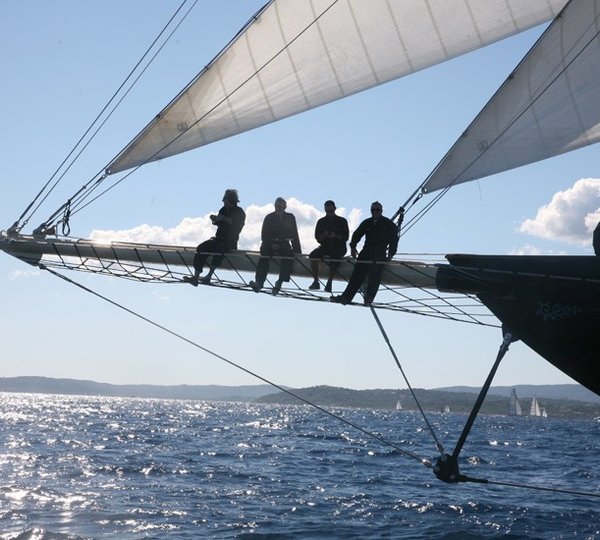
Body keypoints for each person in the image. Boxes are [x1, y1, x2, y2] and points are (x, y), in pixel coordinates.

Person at [331, 201, 398, 306]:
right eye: (373, 210)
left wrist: (390, 254)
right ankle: (346, 297)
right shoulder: (367, 222)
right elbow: (357, 234)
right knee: (356, 275)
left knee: (375, 276)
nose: (375, 212)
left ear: (381, 211)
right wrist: (353, 246)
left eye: (377, 210)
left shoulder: (389, 224)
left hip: (379, 252)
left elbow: (394, 240)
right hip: (366, 251)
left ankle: (369, 298)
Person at [184, 189, 246, 286]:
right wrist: (215, 220)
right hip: (218, 239)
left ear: (230, 199)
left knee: (219, 249)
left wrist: (224, 219)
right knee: (201, 248)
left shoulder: (239, 212)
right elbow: (219, 223)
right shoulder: (223, 210)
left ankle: (209, 276)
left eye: (224, 199)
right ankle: (195, 276)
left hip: (230, 241)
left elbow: (237, 225)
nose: (223, 201)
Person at [250, 197, 301, 295]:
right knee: (264, 257)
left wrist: (297, 251)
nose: (279, 208)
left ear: (285, 207)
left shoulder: (290, 217)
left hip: (284, 243)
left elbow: (294, 234)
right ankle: (259, 282)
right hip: (269, 243)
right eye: (277, 206)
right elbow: (264, 234)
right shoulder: (269, 217)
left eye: (281, 206)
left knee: (288, 256)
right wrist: (271, 244)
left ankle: (280, 282)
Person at [308, 200, 349, 292]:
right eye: (327, 211)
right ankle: (315, 281)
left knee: (334, 257)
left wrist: (335, 236)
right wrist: (323, 236)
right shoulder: (321, 221)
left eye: (331, 211)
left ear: (335, 209)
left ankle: (329, 282)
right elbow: (317, 237)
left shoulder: (342, 221)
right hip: (325, 246)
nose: (329, 213)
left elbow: (345, 237)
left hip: (339, 246)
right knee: (313, 256)